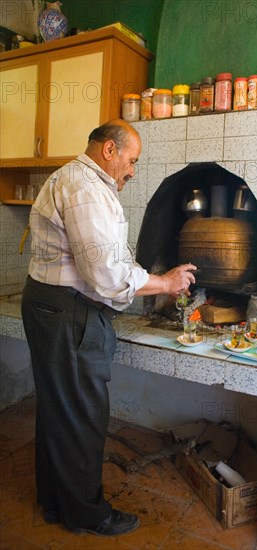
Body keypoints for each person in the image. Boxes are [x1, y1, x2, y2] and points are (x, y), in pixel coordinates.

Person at [21, 119, 196, 537]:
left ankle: (55, 502)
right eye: (132, 160)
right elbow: (103, 273)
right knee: (83, 414)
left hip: (56, 308)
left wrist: (147, 282)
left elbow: (111, 261)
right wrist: (166, 283)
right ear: (109, 151)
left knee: (59, 410)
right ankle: (87, 514)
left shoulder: (83, 182)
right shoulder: (83, 188)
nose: (133, 171)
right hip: (68, 314)